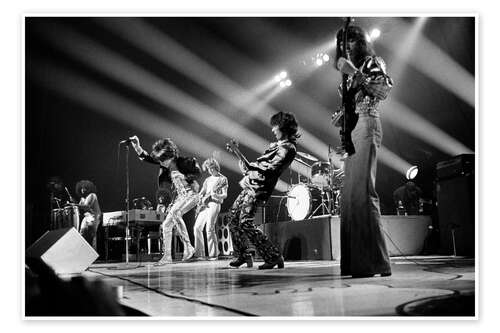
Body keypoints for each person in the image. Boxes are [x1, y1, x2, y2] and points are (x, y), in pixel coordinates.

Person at [331, 25, 393, 278]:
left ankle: (376, 263)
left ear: (361, 41)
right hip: (354, 130)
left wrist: (355, 73)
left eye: (351, 40)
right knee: (349, 199)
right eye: (343, 43)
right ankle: (357, 264)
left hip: (368, 123)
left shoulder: (371, 62)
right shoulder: (345, 75)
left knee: (364, 194)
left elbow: (384, 89)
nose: (347, 46)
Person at [227, 111, 299, 269]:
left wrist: (250, 170)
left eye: (275, 126)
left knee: (245, 221)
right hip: (250, 185)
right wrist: (237, 152)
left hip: (259, 189)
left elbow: (269, 169)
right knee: (233, 219)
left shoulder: (288, 148)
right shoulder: (275, 146)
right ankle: (243, 255)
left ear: (284, 127)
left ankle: (273, 256)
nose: (273, 130)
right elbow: (256, 168)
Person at [130, 136, 201, 266]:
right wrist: (137, 146)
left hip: (191, 194)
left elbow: (197, 172)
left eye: (162, 160)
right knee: (167, 224)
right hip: (180, 197)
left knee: (174, 214)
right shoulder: (165, 164)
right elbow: (148, 158)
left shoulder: (183, 162)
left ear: (170, 157)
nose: (161, 163)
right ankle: (168, 256)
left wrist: (185, 176)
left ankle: (188, 246)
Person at [193, 157, 228, 260]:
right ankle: (200, 254)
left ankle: (214, 254)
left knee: (209, 228)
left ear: (216, 167)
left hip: (215, 204)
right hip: (205, 205)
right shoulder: (207, 180)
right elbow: (202, 192)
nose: (210, 170)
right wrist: (199, 197)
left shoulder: (222, 179)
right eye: (208, 169)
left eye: (211, 168)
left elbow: (225, 195)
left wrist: (216, 195)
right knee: (197, 227)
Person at [75, 180, 102, 248]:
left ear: (89, 188)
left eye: (84, 188)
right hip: (87, 217)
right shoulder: (82, 198)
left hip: (94, 217)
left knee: (91, 236)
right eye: (81, 188)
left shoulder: (92, 195)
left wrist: (74, 204)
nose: (82, 190)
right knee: (82, 233)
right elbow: (80, 207)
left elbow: (86, 206)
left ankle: (93, 254)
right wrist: (74, 203)